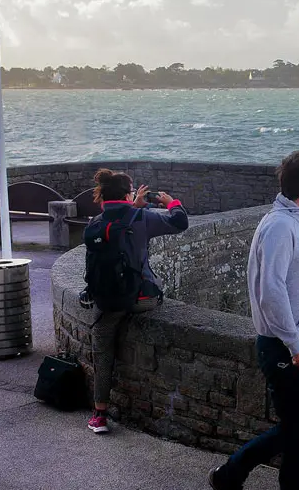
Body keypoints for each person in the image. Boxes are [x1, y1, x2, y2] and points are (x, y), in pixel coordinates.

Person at [209, 148, 299, 490]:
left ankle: (232, 476)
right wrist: (294, 345)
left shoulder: (291, 223)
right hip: (287, 346)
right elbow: (271, 291)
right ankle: (233, 474)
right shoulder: (279, 226)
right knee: (296, 427)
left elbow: (294, 279)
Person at [87, 168, 189, 434]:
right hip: (140, 300)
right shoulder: (142, 217)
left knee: (103, 351)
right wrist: (170, 203)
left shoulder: (96, 222)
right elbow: (180, 222)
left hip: (106, 301)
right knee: (156, 292)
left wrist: (133, 205)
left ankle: (99, 415)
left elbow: (118, 223)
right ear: (128, 194)